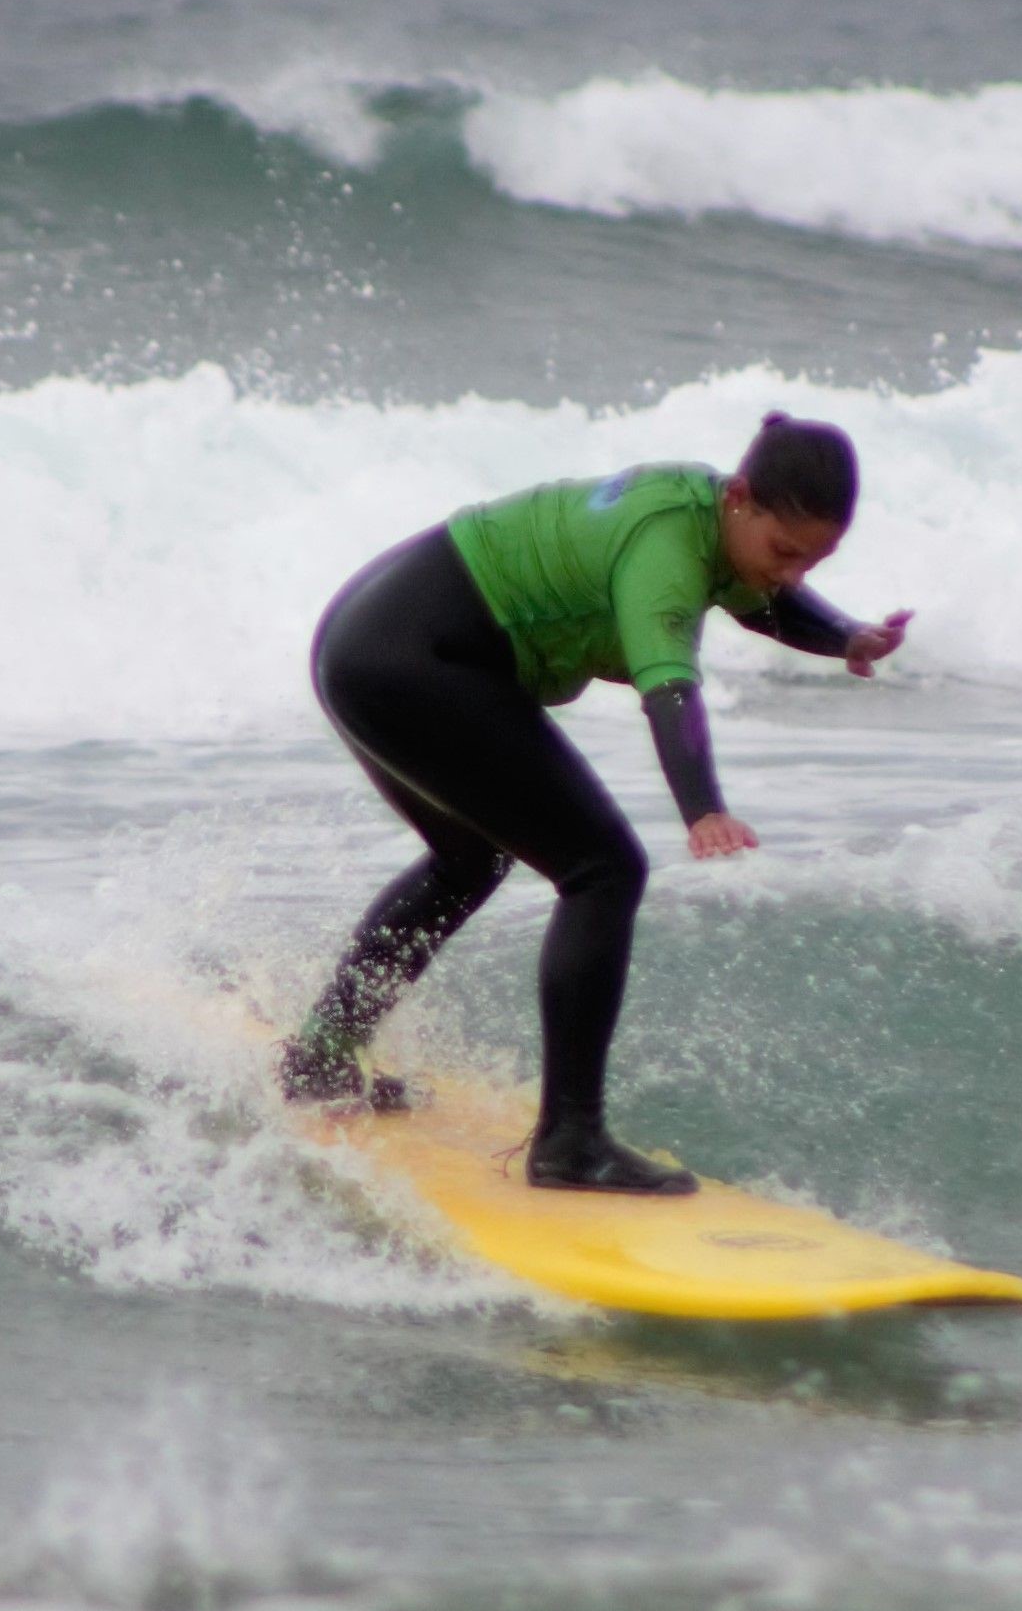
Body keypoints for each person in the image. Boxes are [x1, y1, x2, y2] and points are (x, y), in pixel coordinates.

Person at [282, 412, 912, 1194]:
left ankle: (322, 1055)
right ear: (742, 497)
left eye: (812, 561)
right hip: (410, 660)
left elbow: (764, 598)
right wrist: (702, 808)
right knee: (604, 870)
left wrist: (847, 636)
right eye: (785, 552)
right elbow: (668, 686)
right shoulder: (667, 546)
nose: (790, 573)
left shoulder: (716, 521)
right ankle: (570, 1144)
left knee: (471, 858)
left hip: (368, 642)